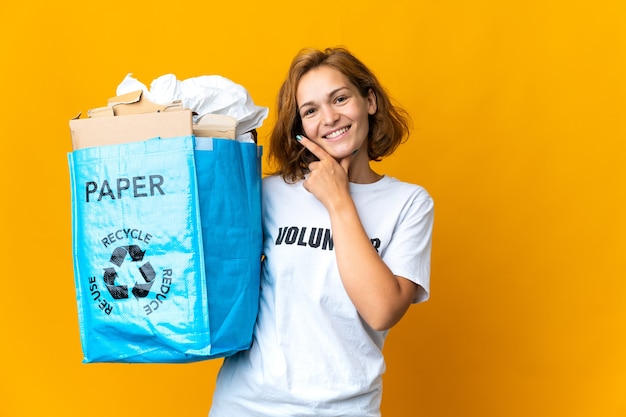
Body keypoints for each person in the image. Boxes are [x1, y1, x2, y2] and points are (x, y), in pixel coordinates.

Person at [209, 47, 434, 417]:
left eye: (340, 99)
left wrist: (338, 199)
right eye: (310, 110)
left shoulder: (409, 203)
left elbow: (382, 311)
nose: (329, 118)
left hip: (346, 408)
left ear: (370, 101)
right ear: (300, 127)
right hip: (247, 404)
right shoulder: (270, 193)